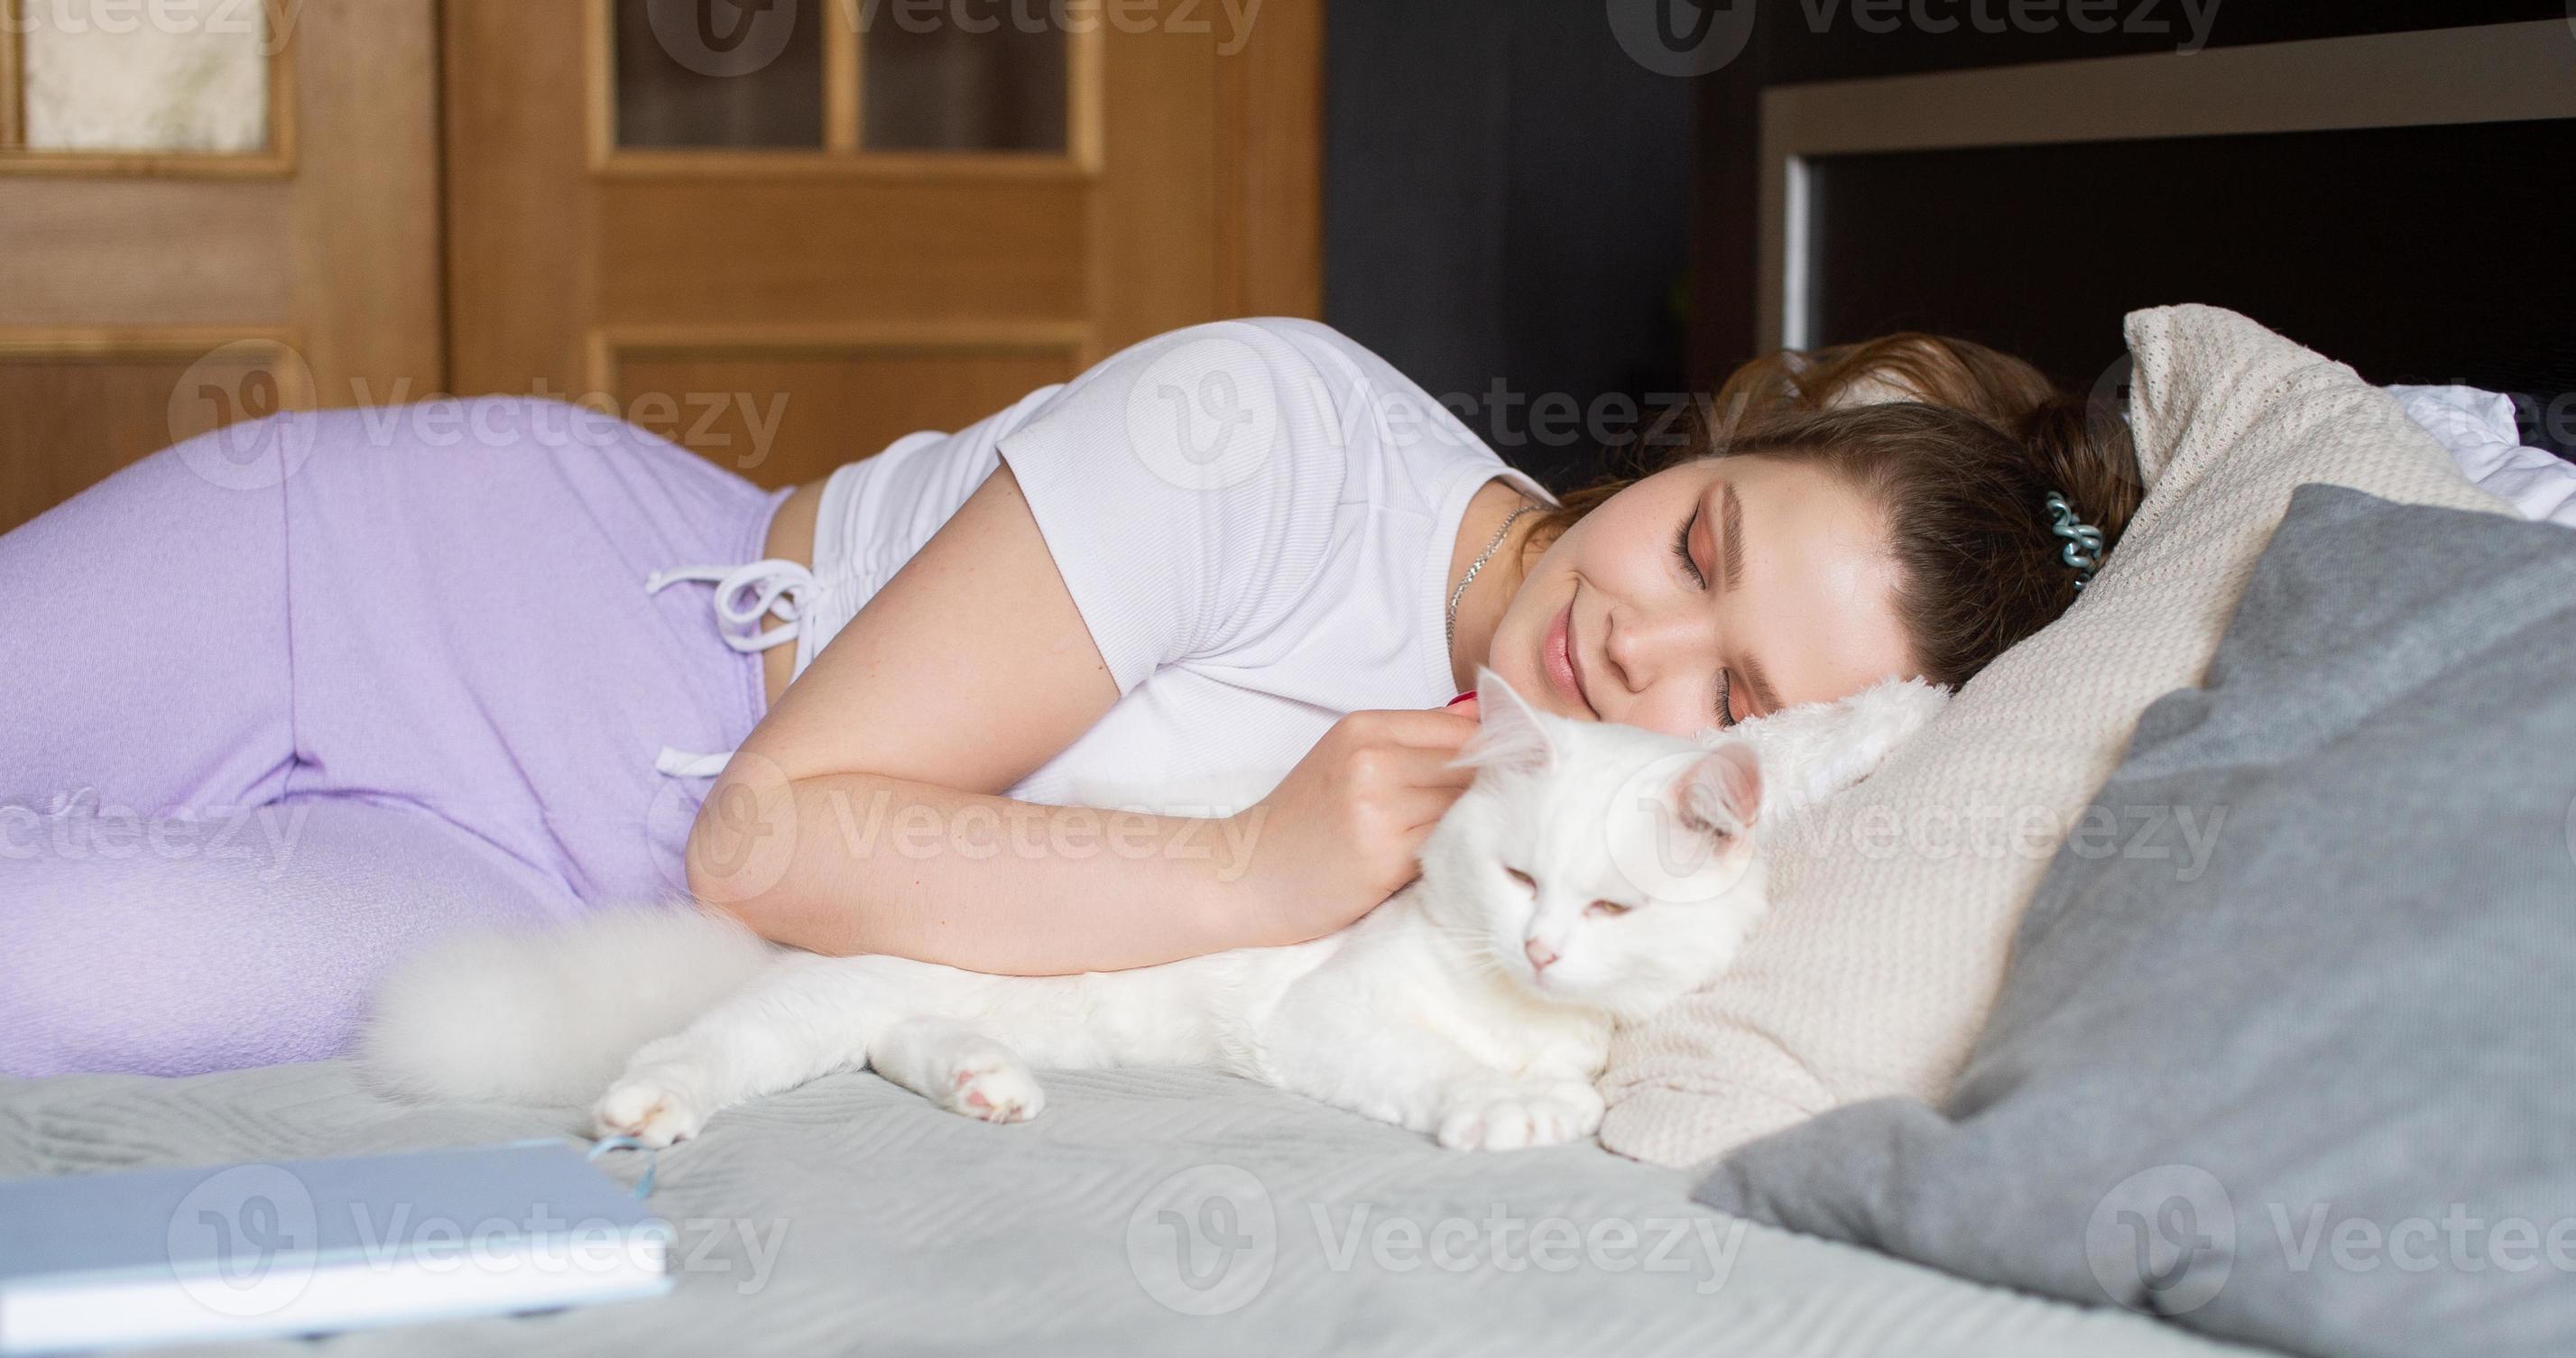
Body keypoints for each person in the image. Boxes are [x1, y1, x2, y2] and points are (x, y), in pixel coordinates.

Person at [0, 319, 2136, 1078]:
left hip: (535, 896)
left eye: (1731, 691)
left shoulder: (1550, 856)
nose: (1636, 650)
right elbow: (778, 828)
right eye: (1694, 544)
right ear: (1713, 439)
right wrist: (1241, 864)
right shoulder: (1278, 429)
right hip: (430, 589)